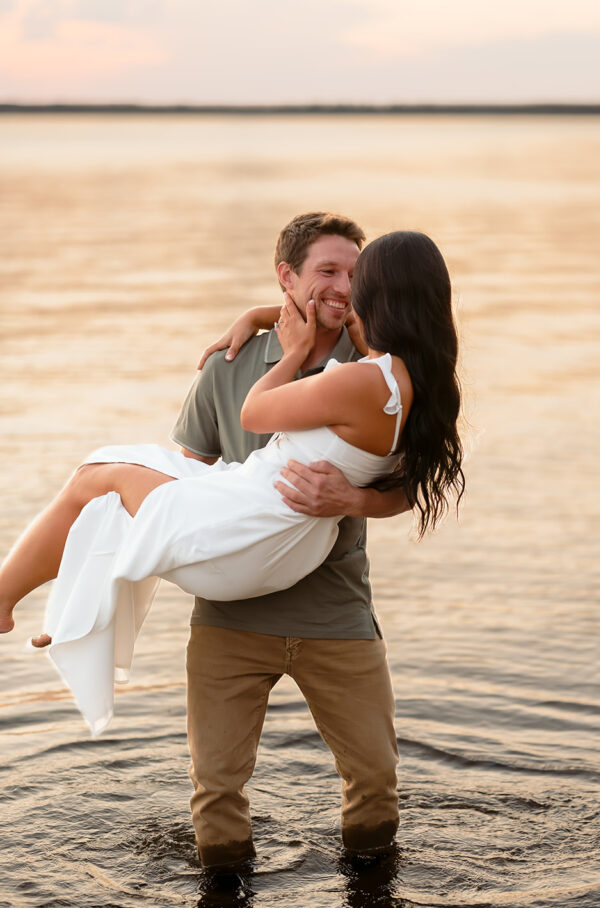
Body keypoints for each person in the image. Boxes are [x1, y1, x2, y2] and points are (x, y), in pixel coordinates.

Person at [0, 216, 465, 867]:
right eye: (327, 273)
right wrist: (258, 320)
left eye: (355, 276)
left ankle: (40, 602)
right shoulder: (235, 366)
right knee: (215, 788)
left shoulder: (364, 368)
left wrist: (351, 497)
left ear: (377, 294)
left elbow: (404, 485)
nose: (342, 288)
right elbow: (189, 468)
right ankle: (78, 612)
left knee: (373, 780)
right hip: (236, 595)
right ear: (287, 280)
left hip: (325, 602)